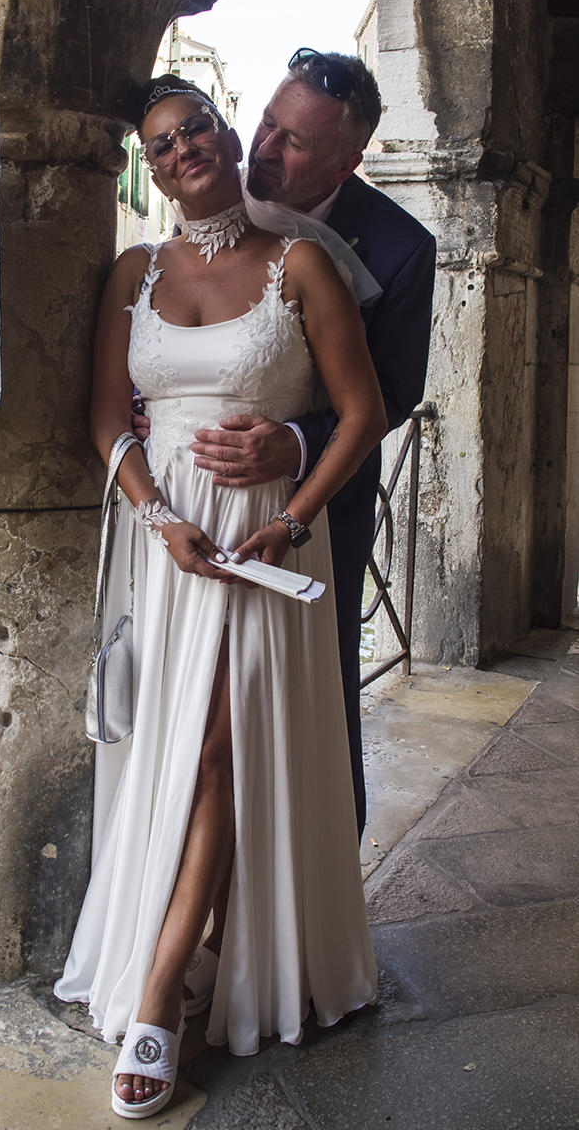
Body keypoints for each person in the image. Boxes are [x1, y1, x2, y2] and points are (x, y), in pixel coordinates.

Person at [55, 76, 387, 1119]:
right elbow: (108, 416)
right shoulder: (128, 271)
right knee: (189, 745)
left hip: (269, 535)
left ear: (227, 132)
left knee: (219, 747)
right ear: (146, 169)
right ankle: (212, 939)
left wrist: (290, 517)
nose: (183, 146)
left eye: (196, 125)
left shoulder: (301, 264)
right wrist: (157, 515)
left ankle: (159, 990)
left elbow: (361, 413)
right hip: (170, 542)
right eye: (160, 143)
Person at [181, 51, 437, 838]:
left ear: (346, 162)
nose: (264, 149)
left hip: (318, 510)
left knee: (317, 695)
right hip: (195, 499)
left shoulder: (399, 249)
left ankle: (325, 891)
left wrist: (296, 445)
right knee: (199, 704)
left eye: (293, 142)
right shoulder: (216, 201)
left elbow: (394, 394)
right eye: (266, 122)